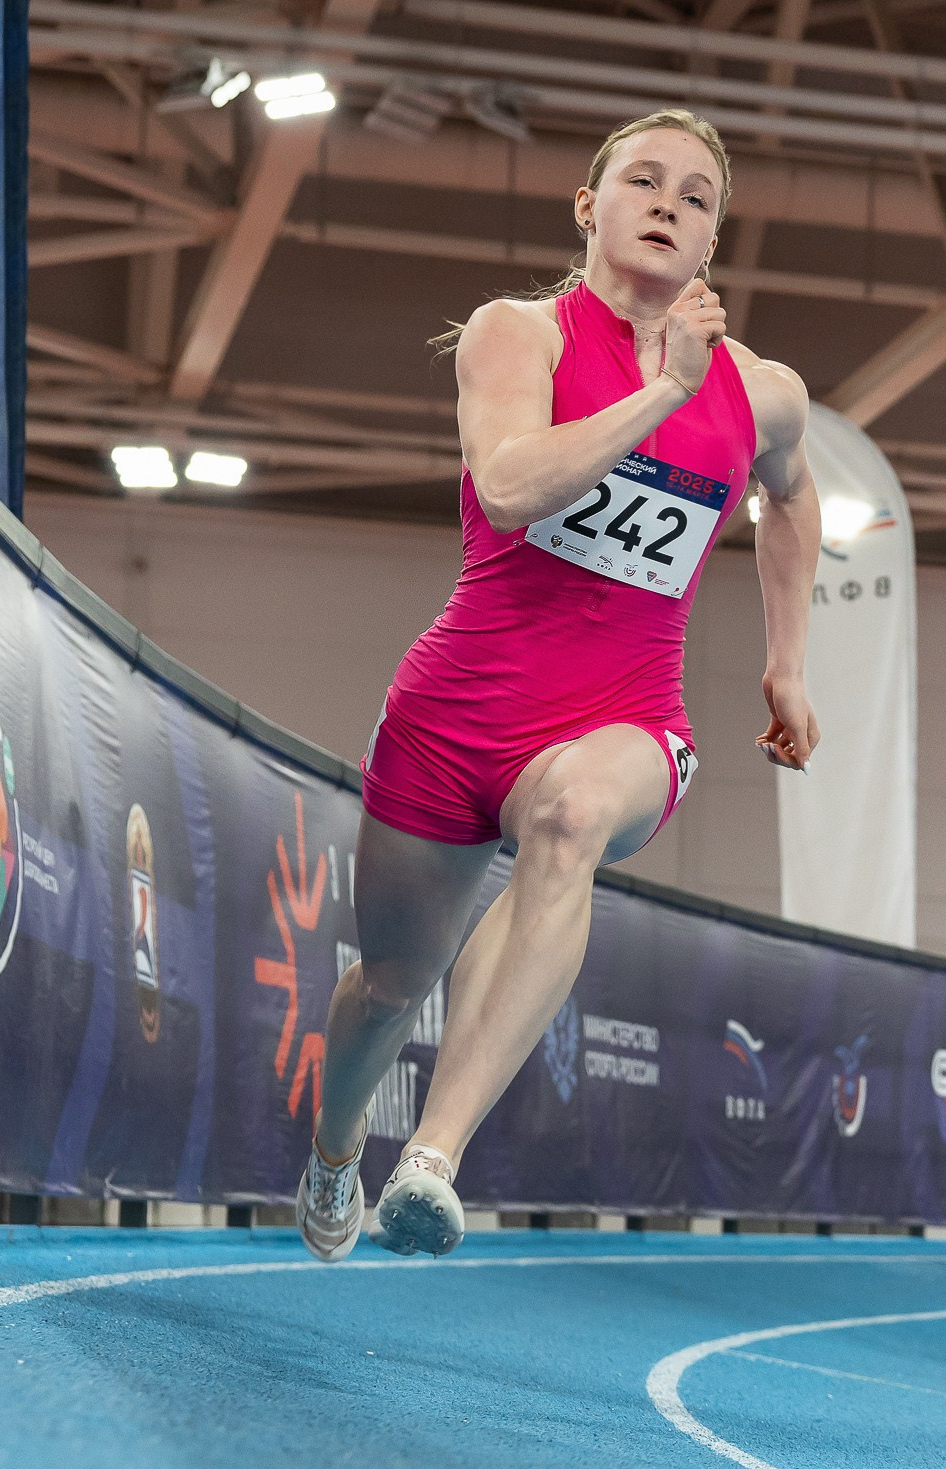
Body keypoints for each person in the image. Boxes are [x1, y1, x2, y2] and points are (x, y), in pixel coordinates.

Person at [294, 109, 820, 1262]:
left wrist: (786, 662)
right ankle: (337, 1154)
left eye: (697, 194)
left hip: (627, 712)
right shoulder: (514, 334)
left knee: (573, 816)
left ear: (712, 242)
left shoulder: (761, 389)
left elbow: (792, 496)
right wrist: (659, 394)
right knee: (388, 986)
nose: (669, 202)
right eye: (643, 180)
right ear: (590, 208)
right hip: (455, 713)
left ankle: (431, 1160)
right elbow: (514, 482)